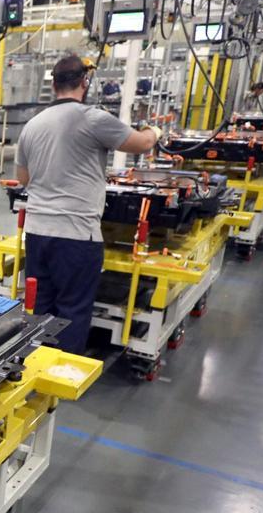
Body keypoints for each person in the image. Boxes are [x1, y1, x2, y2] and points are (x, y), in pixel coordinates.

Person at [14, 54, 161, 354]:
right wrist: (155, 131)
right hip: (77, 236)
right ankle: (62, 376)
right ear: (85, 82)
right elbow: (142, 144)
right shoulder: (93, 118)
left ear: (54, 84)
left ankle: (34, 369)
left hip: (38, 232)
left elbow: (23, 178)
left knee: (39, 306)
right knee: (71, 311)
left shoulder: (32, 125)